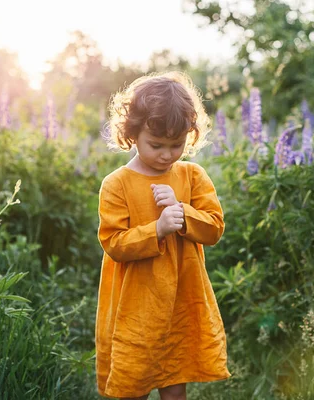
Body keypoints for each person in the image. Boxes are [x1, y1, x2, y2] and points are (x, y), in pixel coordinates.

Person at [95, 71, 231, 400]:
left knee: (175, 376)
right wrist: (156, 229)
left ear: (191, 135)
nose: (167, 155)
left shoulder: (192, 175)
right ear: (132, 134)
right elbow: (114, 243)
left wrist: (183, 213)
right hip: (136, 304)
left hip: (181, 300)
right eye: (156, 145)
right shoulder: (117, 184)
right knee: (133, 381)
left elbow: (214, 227)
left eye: (177, 145)